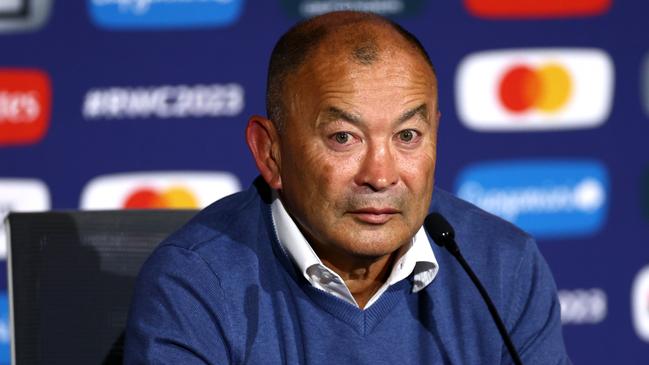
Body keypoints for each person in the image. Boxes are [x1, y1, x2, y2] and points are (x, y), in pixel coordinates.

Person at [124, 11, 570, 364]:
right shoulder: (198, 282)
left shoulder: (501, 268)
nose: (380, 175)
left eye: (407, 136)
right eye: (344, 138)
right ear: (270, 152)